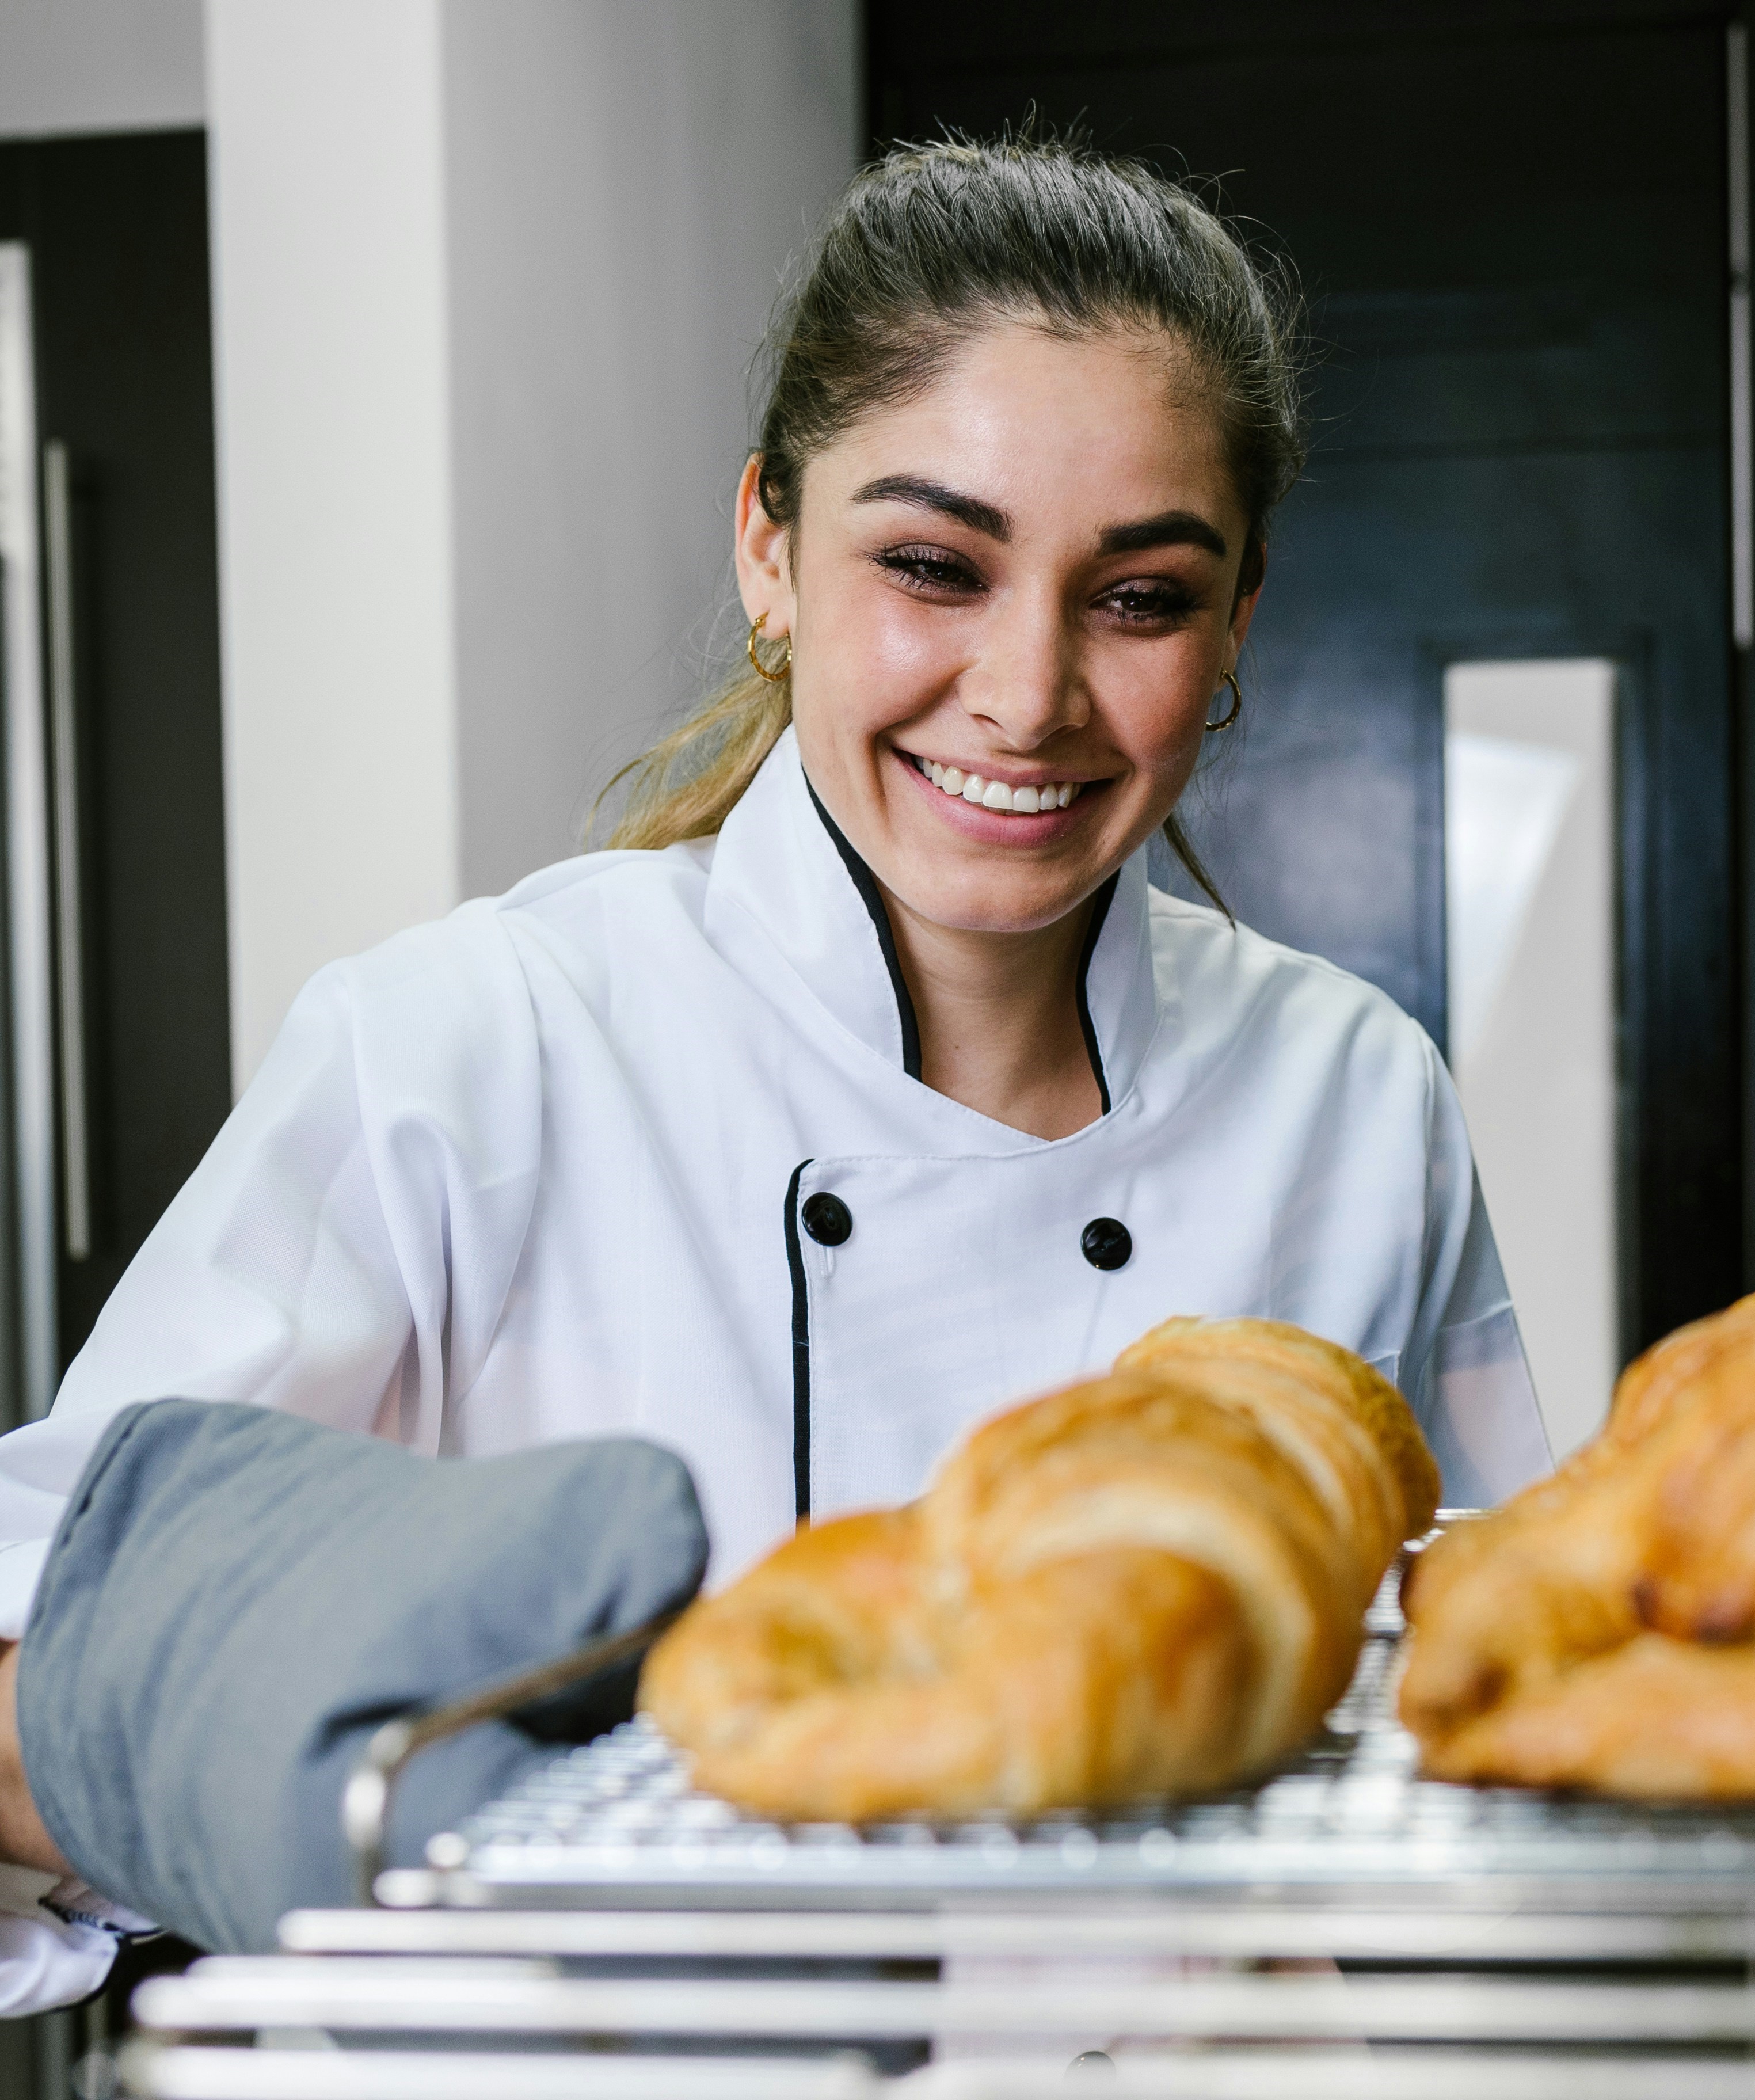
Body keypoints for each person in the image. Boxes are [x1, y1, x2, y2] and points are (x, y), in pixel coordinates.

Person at [0, 133, 1551, 2004]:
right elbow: (37, 1664)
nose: (1027, 692)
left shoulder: (1357, 1100)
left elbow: (1484, 1695)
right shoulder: (479, 1049)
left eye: (1138, 595)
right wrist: (365, 1816)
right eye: (931, 564)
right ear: (769, 547)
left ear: (1236, 618)